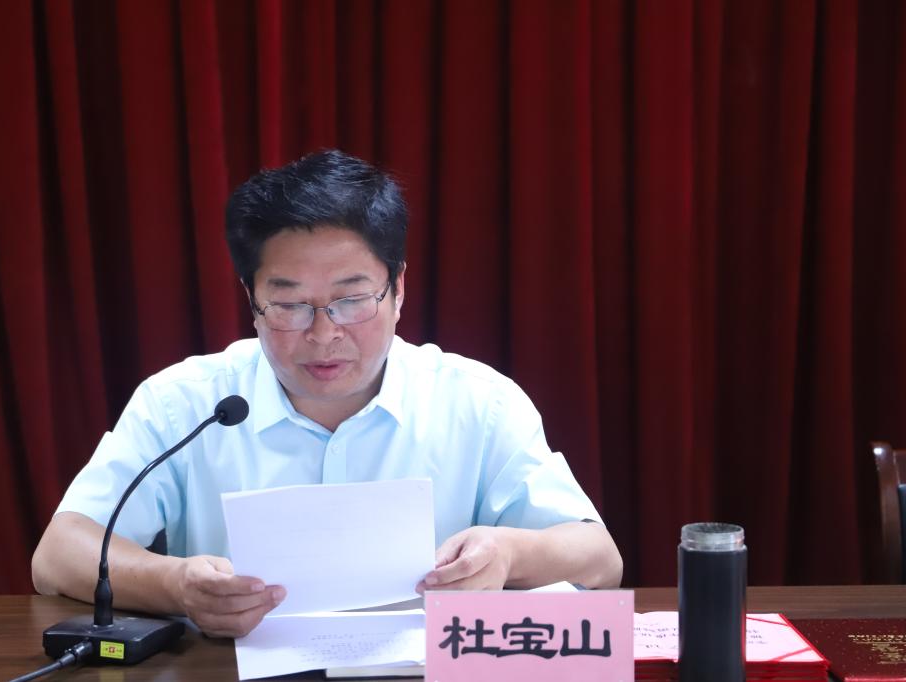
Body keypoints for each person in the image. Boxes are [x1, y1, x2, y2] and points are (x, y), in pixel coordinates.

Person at [32, 150, 622, 638]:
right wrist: (176, 584)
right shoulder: (185, 402)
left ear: (398, 289)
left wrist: (509, 554)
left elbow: (600, 559)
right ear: (252, 301)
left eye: (351, 299)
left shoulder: (477, 402)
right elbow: (58, 555)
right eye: (289, 304)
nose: (323, 333)